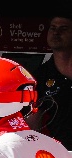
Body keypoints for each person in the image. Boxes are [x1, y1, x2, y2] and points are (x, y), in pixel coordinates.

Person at [32, 14, 72, 147]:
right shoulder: (39, 76)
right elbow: (33, 124)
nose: (56, 32)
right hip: (59, 156)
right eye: (53, 28)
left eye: (63, 28)